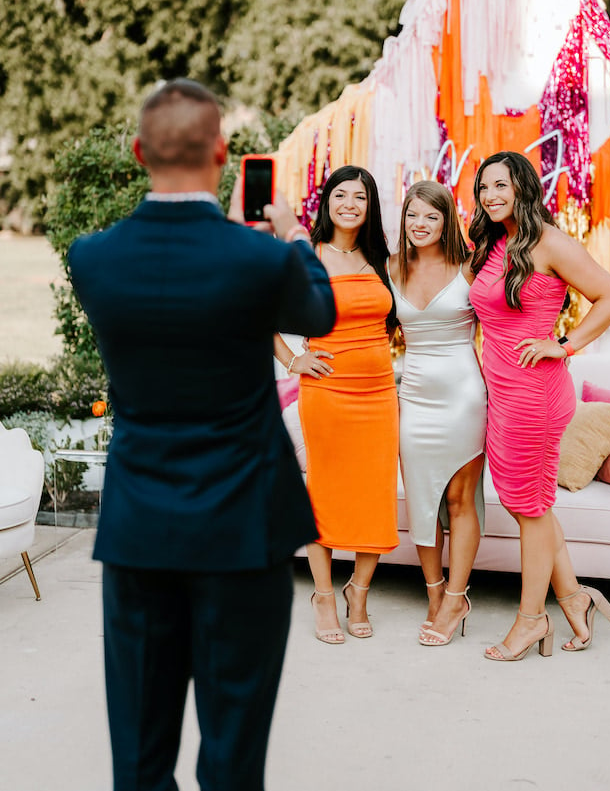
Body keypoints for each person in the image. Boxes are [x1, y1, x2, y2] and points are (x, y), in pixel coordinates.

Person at [68, 79, 336, 791]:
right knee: (233, 754)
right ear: (223, 152)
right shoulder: (262, 259)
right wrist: (298, 237)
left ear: (136, 152)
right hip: (243, 527)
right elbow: (318, 314)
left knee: (140, 756)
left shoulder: (92, 258)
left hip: (139, 530)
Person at [469, 151, 610, 661]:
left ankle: (531, 621)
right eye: (484, 187)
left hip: (536, 395)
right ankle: (574, 596)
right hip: (504, 393)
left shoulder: (550, 242)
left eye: (501, 186)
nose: (491, 196)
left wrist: (566, 343)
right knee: (527, 505)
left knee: (529, 508)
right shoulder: (496, 241)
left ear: (523, 188)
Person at [274, 165, 399, 643]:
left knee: (376, 494)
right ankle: (324, 597)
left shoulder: (381, 259)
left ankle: (358, 592)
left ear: (371, 207)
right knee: (323, 496)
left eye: (360, 197)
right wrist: (294, 360)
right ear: (327, 202)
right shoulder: (309, 255)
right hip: (327, 394)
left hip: (380, 394)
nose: (350, 203)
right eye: (341, 195)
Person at [388, 180, 487, 646]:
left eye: (431, 216)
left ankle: (456, 597)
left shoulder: (471, 267)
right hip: (414, 395)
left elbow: (510, 319)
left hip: (464, 395)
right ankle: (435, 596)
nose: (420, 224)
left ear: (447, 220)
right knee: (422, 500)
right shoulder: (390, 267)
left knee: (459, 500)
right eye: (413, 215)